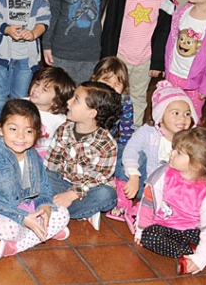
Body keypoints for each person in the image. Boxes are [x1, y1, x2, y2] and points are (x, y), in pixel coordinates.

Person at [135, 128, 206, 275]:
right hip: (166, 229)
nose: (171, 153)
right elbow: (148, 201)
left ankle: (199, 257)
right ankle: (194, 253)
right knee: (149, 236)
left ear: (195, 165)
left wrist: (202, 258)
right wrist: (141, 228)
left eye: (179, 153)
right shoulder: (163, 173)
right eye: (174, 149)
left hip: (196, 232)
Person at [0, 99, 71, 260]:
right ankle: (41, 232)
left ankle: (17, 245)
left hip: (22, 203)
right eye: (13, 129)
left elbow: (43, 184)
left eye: (28, 131)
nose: (20, 136)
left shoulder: (32, 155)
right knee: (10, 229)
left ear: (37, 133)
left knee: (63, 214)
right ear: (1, 129)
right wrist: (22, 217)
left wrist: (45, 205)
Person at [101, 0, 174, 126]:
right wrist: (107, 58)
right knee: (113, 93)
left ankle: (133, 132)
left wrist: (158, 61)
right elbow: (110, 26)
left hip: (145, 59)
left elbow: (164, 30)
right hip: (120, 56)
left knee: (138, 97)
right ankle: (109, 128)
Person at [112, 82, 196, 223]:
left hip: (167, 190)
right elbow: (131, 150)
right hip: (140, 183)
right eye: (176, 113)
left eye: (187, 114)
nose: (183, 118)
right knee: (130, 153)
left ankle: (147, 208)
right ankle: (123, 199)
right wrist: (133, 176)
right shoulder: (148, 131)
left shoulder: (191, 139)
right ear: (160, 116)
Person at [46, 82, 120, 228]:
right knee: (37, 172)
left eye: (76, 100)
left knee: (107, 195)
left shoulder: (106, 144)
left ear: (92, 113)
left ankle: (56, 210)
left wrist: (72, 194)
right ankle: (73, 210)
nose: (68, 102)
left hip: (88, 190)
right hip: (62, 181)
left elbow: (97, 178)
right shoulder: (64, 129)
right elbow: (51, 164)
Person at [25, 67, 75, 159]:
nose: (36, 89)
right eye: (37, 84)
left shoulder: (61, 120)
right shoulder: (20, 105)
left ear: (55, 101)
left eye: (44, 90)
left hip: (44, 156)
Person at [92, 56, 135, 156]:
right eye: (106, 80)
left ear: (124, 87)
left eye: (117, 83)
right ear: (94, 79)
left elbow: (127, 133)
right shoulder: (87, 97)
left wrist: (124, 152)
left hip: (108, 146)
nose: (111, 87)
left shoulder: (125, 102)